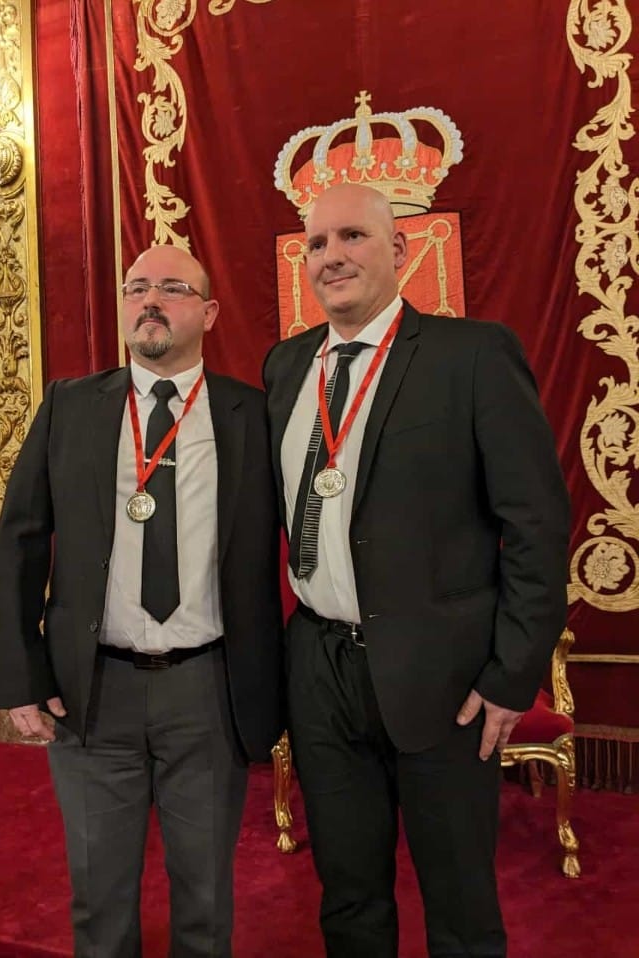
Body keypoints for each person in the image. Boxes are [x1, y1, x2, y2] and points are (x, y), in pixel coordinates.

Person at [262, 183, 570, 958]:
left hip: (445, 676)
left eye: (353, 237)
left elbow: (535, 524)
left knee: (460, 904)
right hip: (320, 668)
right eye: (317, 244)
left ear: (399, 250)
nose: (332, 256)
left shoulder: (472, 356)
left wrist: (512, 675)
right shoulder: (285, 367)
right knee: (350, 893)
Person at [0, 244, 284, 958]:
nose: (151, 300)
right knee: (99, 900)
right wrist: (22, 676)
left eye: (173, 288)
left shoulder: (255, 414)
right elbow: (21, 541)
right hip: (93, 692)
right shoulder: (70, 405)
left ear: (208, 312)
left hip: (209, 691)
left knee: (206, 899)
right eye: (137, 287)